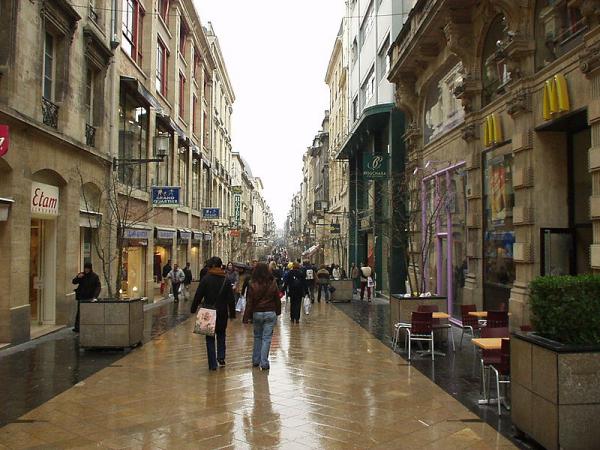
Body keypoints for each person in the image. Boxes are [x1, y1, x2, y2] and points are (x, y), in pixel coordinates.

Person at [191, 257, 236, 371]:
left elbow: (198, 295)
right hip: (222, 312)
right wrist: (232, 313)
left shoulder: (206, 279)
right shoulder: (226, 280)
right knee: (221, 335)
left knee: (209, 338)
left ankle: (212, 364)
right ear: (221, 266)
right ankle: (221, 357)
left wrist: (193, 309)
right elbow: (231, 299)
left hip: (208, 312)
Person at [243, 263, 281, 370]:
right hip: (270, 312)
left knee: (257, 336)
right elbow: (277, 298)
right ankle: (264, 362)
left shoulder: (252, 283)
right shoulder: (272, 282)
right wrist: (277, 312)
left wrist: (247, 316)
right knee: (267, 338)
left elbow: (249, 301)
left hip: (257, 313)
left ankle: (256, 360)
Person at [72, 262, 101, 332]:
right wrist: (78, 277)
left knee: (90, 312)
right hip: (81, 296)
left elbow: (98, 287)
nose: (86, 270)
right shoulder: (82, 275)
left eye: (88, 268)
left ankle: (90, 326)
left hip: (90, 297)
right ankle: (77, 327)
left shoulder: (95, 276)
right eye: (85, 268)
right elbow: (74, 282)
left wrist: (95, 296)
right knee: (79, 313)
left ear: (90, 269)